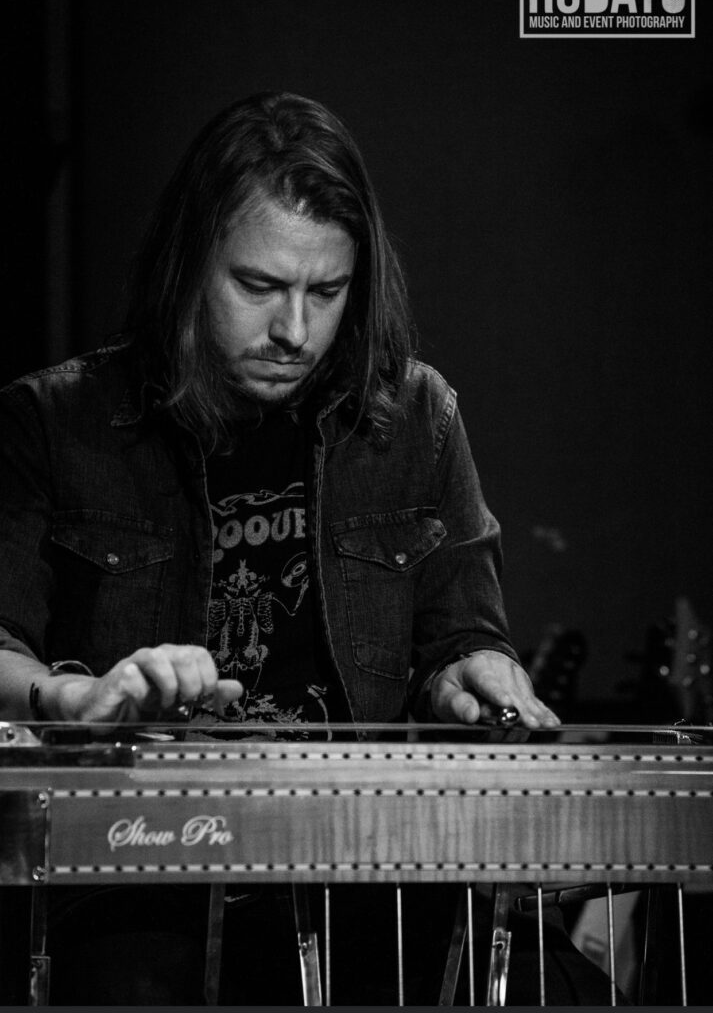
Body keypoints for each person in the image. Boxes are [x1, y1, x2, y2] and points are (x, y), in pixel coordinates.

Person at [0, 92, 565, 1004]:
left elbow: (462, 636)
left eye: (327, 293)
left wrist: (471, 669)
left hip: (361, 882)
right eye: (258, 287)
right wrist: (70, 697)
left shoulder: (417, 419)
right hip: (134, 884)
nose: (293, 331)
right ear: (188, 268)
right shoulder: (53, 424)